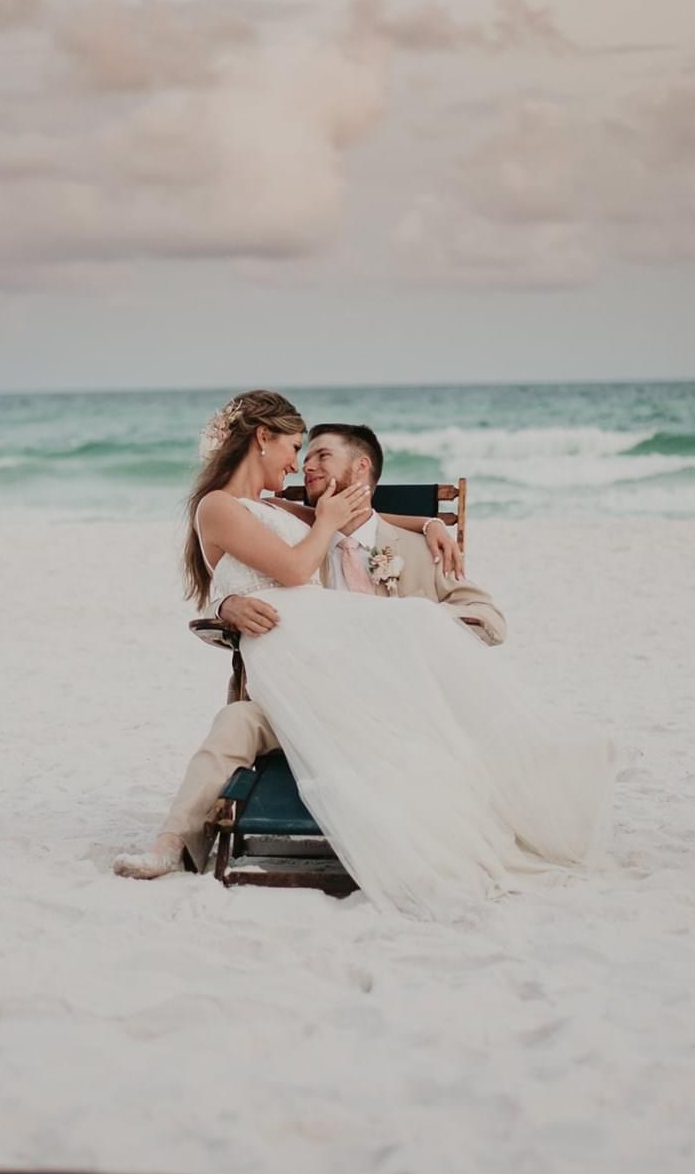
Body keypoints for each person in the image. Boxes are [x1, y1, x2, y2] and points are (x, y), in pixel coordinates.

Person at [114, 391, 615, 920]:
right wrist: (227, 602)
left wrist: (429, 524)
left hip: (346, 666)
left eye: (313, 454)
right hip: (293, 662)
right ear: (262, 438)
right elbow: (288, 566)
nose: (298, 464)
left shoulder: (280, 509)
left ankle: (533, 775)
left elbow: (362, 520)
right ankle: (172, 844)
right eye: (295, 448)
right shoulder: (228, 508)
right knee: (236, 722)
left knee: (418, 624)